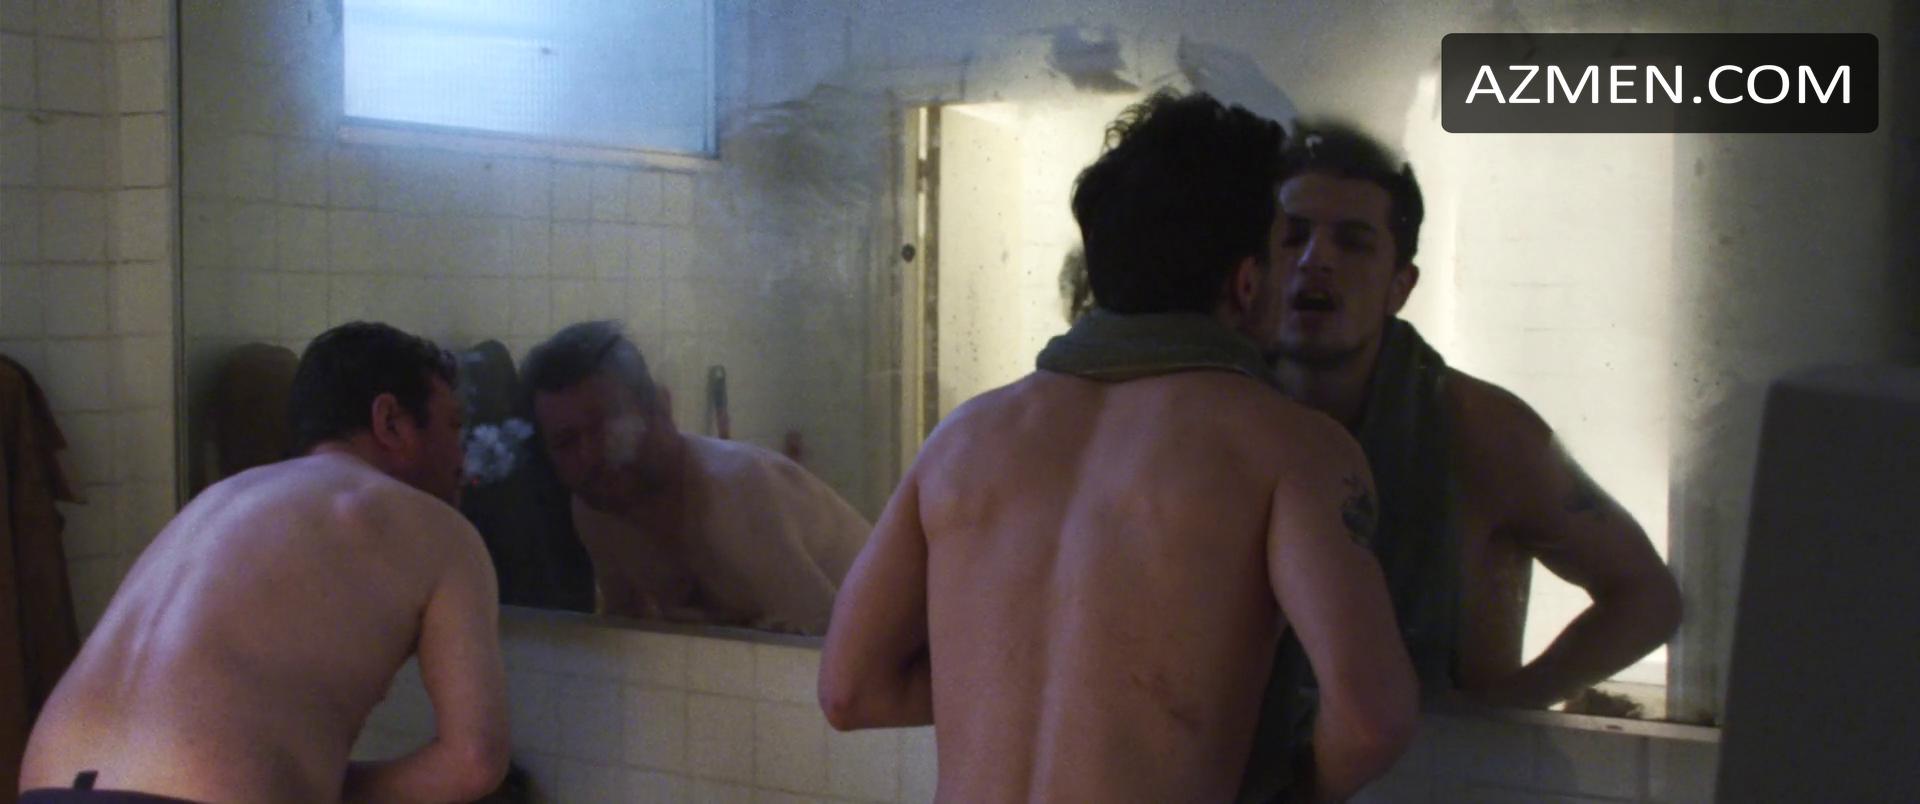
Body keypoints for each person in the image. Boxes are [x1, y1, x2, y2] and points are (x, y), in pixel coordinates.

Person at [818, 91, 1418, 803]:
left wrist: (1007, 687)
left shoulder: (962, 440)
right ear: (1246, 281)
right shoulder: (1292, 450)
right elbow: (1372, 720)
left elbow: (849, 690)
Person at [1237, 121, 1684, 800]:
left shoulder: (1479, 429)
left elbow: (1646, 597)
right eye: (1293, 236)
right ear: (1257, 266)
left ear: (1400, 285)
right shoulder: (1214, 413)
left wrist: (1502, 716)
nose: (1315, 260)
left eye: (1353, 242)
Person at [18, 322, 509, 803]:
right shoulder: (437, 529)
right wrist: (303, 783)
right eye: (453, 425)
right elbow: (473, 763)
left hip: (47, 785)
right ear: (391, 421)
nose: (462, 456)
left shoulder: (217, 502)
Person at [521, 320, 869, 636]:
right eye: (566, 442)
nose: (589, 455)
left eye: (604, 425)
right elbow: (626, 628)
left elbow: (836, 642)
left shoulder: (735, 491)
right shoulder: (595, 510)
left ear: (661, 407)